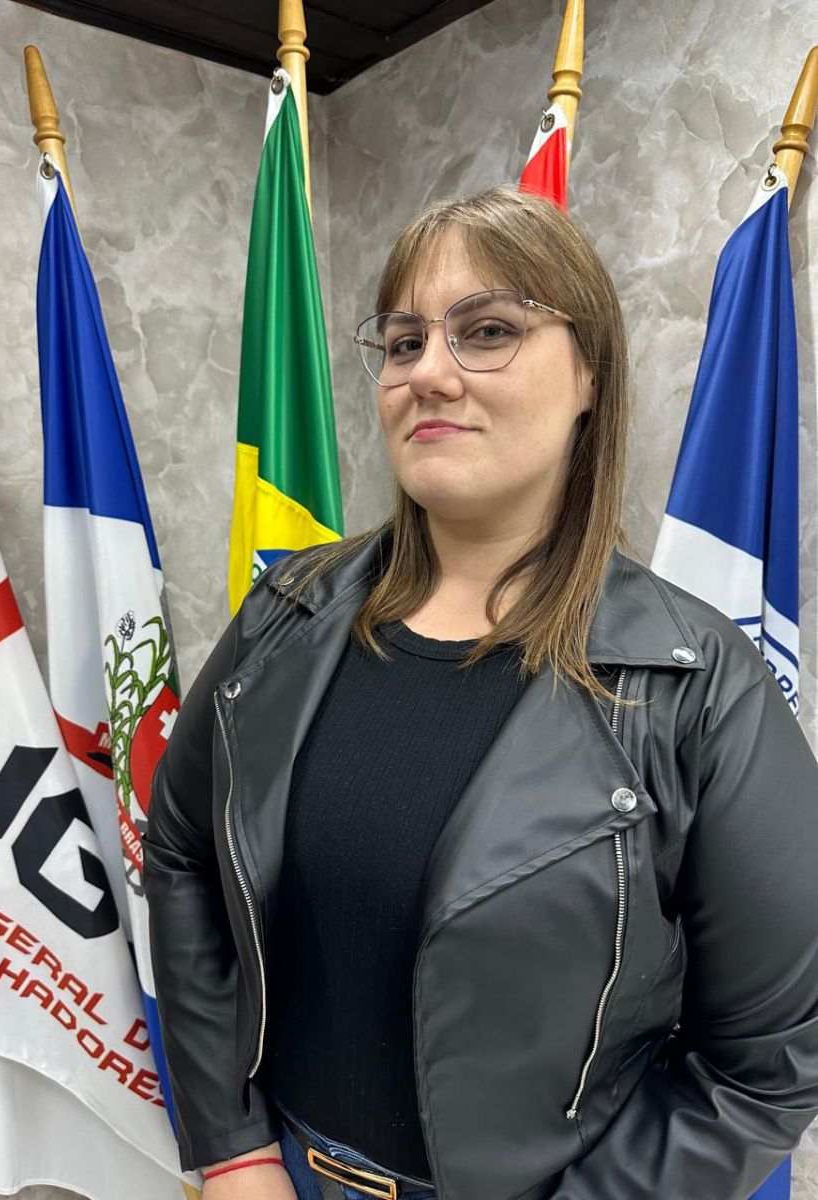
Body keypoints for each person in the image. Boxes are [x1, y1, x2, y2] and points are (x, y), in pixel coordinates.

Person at [141, 186, 818, 1200]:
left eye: (488, 330)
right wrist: (232, 1149)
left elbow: (766, 1067)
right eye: (404, 342)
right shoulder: (288, 610)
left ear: (589, 374)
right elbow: (183, 849)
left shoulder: (698, 685)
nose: (428, 373)